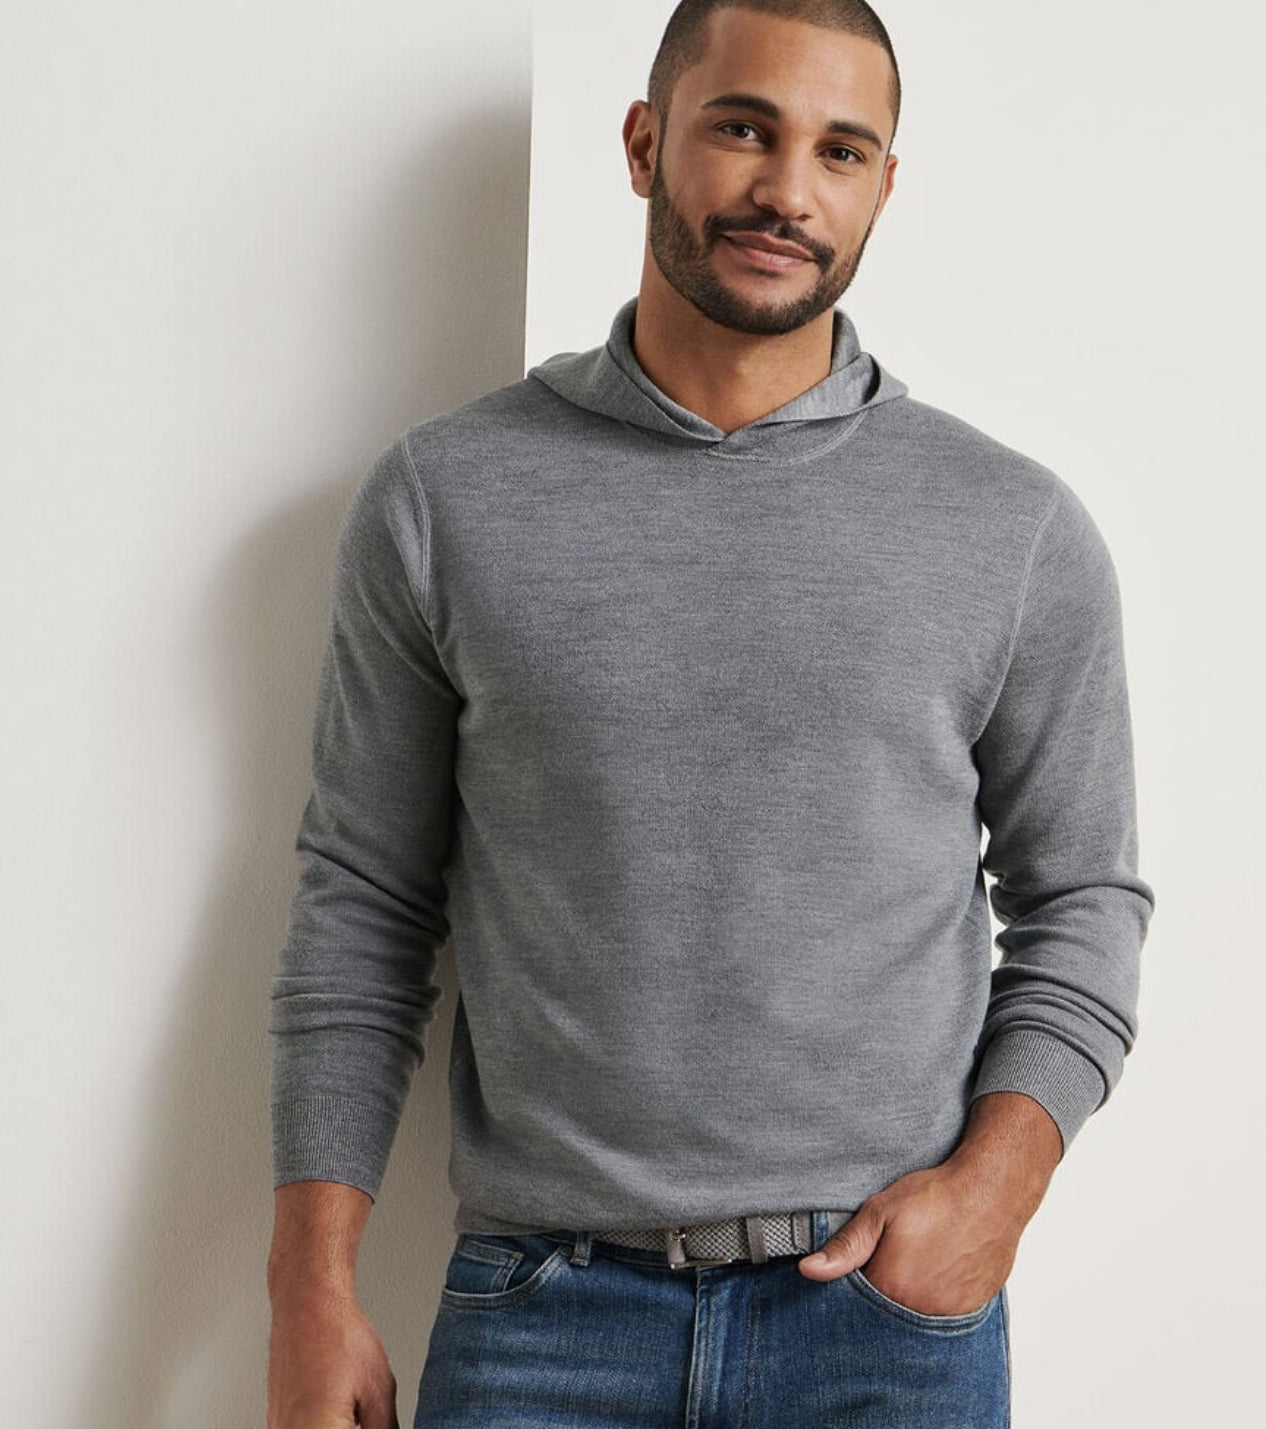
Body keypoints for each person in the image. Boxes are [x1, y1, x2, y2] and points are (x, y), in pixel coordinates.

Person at [265, 2, 1156, 1425]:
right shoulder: (445, 499)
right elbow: (364, 904)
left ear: (882, 186)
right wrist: (309, 1289)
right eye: (743, 127)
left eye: (840, 151)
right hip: (541, 1321)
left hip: (880, 1325)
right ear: (644, 143)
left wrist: (998, 1189)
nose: (787, 191)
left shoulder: (1012, 529)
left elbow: (1085, 900)